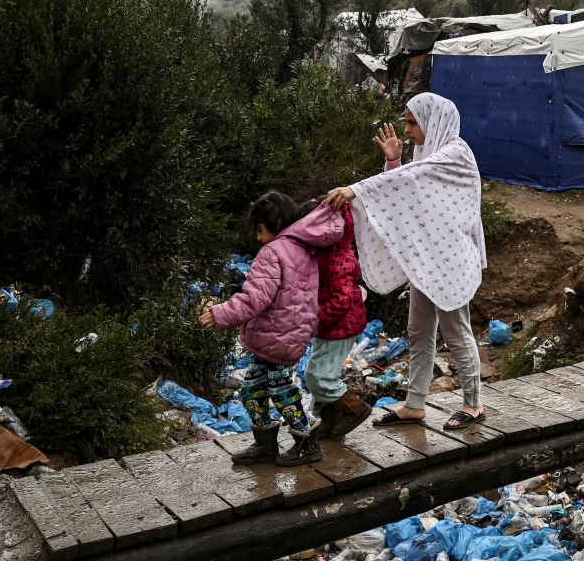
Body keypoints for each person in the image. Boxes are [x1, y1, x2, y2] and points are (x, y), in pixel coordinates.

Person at [324, 93, 488, 430]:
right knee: (418, 332)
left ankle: (473, 404)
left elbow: (413, 182)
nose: (408, 129)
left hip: (448, 261)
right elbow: (409, 194)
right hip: (427, 260)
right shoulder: (427, 155)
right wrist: (395, 162)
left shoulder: (455, 154)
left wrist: (357, 189)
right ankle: (415, 405)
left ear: (433, 121)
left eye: (413, 122)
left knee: (456, 332)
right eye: (407, 121)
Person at [200, 191, 343, 466]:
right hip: (287, 337)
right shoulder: (305, 250)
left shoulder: (272, 252)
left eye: (259, 229)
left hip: (277, 339)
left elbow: (255, 298)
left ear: (275, 223)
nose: (257, 237)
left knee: (280, 392)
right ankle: (265, 445)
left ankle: (307, 442)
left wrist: (221, 314)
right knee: (253, 389)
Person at [305, 201, 373, 437]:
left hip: (340, 325)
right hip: (330, 326)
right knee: (319, 372)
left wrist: (318, 318)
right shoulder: (325, 253)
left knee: (318, 375)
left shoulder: (340, 258)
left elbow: (342, 300)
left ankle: (354, 409)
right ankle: (330, 417)